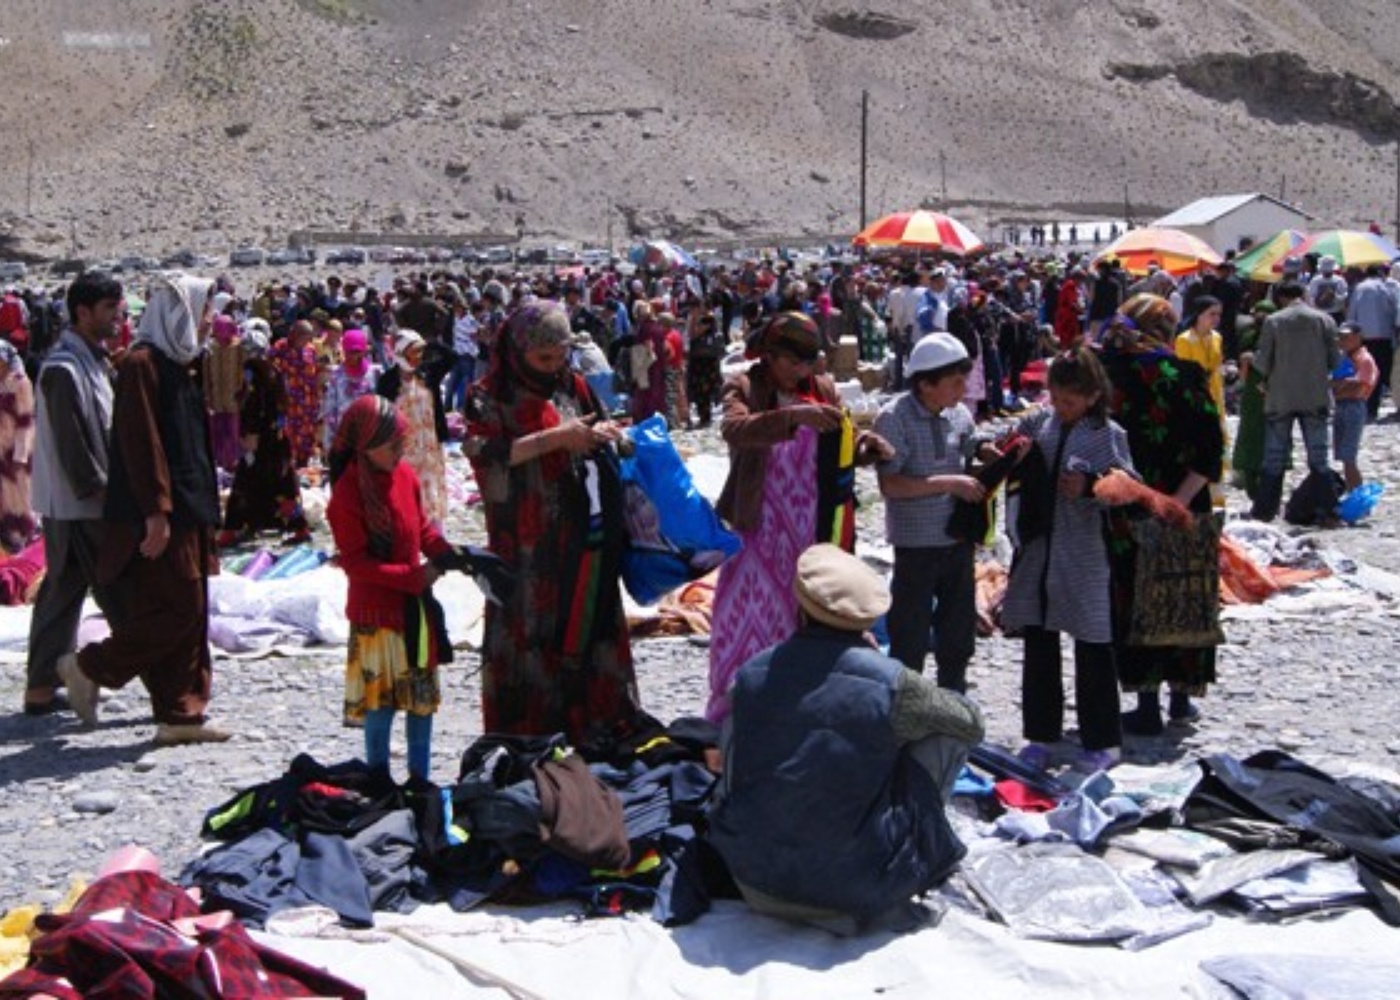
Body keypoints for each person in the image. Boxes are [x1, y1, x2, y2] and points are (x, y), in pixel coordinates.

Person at [708, 543, 985, 935]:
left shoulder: (753, 672)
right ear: (866, 622)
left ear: (801, 609)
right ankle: (917, 847)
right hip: (855, 891)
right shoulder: (893, 682)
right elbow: (971, 724)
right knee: (945, 732)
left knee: (742, 722)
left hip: (755, 881)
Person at [57, 273, 230, 745]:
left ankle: (180, 713)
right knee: (177, 608)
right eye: (204, 311)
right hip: (159, 513)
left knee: (192, 614)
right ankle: (89, 666)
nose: (210, 320)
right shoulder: (141, 365)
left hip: (190, 509)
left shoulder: (183, 364)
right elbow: (141, 445)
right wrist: (156, 511)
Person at [464, 301, 641, 743]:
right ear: (518, 350)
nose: (553, 367)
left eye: (560, 356)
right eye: (543, 359)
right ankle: (528, 742)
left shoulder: (573, 386)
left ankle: (594, 734)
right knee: (530, 641)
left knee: (586, 627)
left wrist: (611, 437)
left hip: (583, 538)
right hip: (524, 547)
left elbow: (597, 427)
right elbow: (487, 455)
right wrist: (557, 439)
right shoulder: (490, 397)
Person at [707, 312, 891, 722]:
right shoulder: (745, 385)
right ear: (770, 356)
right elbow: (734, 430)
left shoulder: (822, 389)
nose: (801, 372)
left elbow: (841, 440)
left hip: (812, 528)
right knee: (746, 619)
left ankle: (801, 710)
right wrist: (793, 418)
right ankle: (737, 709)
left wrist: (865, 448)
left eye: (808, 364)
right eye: (793, 363)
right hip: (757, 526)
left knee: (806, 617)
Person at [1002, 348, 1135, 772]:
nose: (1061, 408)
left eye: (1070, 402)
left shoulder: (1107, 434)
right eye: (1056, 399)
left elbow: (1129, 487)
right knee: (1039, 642)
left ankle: (1102, 740)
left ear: (1093, 396)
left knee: (1092, 645)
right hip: (1038, 549)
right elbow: (1005, 444)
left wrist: (1092, 485)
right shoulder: (1039, 423)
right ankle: (1041, 734)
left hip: (1083, 552)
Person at [1100, 294, 1223, 734]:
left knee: (1133, 594)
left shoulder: (1111, 375)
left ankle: (1146, 702)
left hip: (1127, 503)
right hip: (1183, 504)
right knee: (1181, 593)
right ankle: (1181, 700)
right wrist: (1178, 502)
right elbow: (1211, 451)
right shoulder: (1186, 374)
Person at [326, 395, 454, 781]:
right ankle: (378, 779)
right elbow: (355, 562)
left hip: (413, 610)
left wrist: (446, 552)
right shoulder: (347, 495)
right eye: (393, 444)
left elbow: (421, 528)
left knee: (420, 703)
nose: (401, 450)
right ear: (366, 446)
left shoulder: (406, 477)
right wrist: (409, 577)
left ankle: (420, 780)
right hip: (377, 616)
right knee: (380, 705)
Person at [875, 332, 1000, 693]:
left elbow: (969, 441)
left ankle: (952, 697)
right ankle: (907, 704)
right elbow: (891, 485)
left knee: (957, 627)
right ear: (927, 384)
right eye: (955, 382)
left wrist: (988, 450)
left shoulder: (958, 414)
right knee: (910, 631)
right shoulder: (893, 418)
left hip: (956, 538)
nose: (963, 390)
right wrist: (949, 483)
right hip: (916, 544)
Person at [23, 271, 123, 716]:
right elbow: (73, 445)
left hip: (81, 503)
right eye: (108, 310)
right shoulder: (64, 368)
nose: (118, 318)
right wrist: (101, 493)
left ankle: (42, 687)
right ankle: (155, 675)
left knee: (64, 592)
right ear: (82, 312)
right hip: (78, 505)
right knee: (119, 590)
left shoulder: (92, 360)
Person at [1249, 282, 1341, 522]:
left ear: (1280, 299)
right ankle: (1326, 509)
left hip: (1280, 397)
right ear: (1305, 295)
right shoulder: (1324, 320)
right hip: (1315, 395)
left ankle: (1265, 510)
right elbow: (1335, 360)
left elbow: (1262, 362)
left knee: (1274, 456)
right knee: (1319, 457)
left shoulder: (1274, 321)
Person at [219, 319, 308, 545]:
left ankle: (234, 528)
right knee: (283, 481)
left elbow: (252, 405)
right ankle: (297, 528)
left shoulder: (251, 372)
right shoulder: (274, 369)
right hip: (277, 437)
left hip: (259, 437)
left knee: (244, 481)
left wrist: (249, 433)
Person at [375, 329, 448, 527]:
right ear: (399, 353)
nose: (418, 357)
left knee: (430, 494)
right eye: (413, 352)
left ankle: (435, 540)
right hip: (404, 449)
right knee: (407, 492)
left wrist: (428, 341)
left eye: (420, 352)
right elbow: (382, 415)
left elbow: (452, 357)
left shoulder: (427, 374)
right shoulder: (388, 381)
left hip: (429, 447)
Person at [1230, 302, 1276, 501]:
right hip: (1265, 391)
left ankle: (1253, 480)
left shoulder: (1251, 336)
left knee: (1254, 433)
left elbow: (1243, 370)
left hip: (1257, 391)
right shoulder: (1274, 338)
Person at [1345, 264, 1397, 422]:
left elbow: (1352, 312)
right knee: (1387, 372)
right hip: (1385, 336)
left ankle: (1370, 408)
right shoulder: (1387, 287)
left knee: (1367, 371)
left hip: (1365, 337)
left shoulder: (1360, 288)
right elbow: (1395, 309)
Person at [268, 319, 322, 467]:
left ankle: (303, 464)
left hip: (307, 401)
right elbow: (270, 368)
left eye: (308, 337)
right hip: (289, 400)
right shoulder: (280, 347)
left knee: (306, 433)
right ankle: (288, 465)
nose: (306, 341)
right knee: (289, 433)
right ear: (295, 335)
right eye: (303, 337)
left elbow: (315, 372)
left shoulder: (310, 350)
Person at [1331, 321, 1378, 492]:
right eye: (1341, 337)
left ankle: (1357, 495)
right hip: (1341, 406)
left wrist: (1339, 386)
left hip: (1353, 406)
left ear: (1358, 338)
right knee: (1344, 456)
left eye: (1347, 337)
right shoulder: (1344, 358)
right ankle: (1352, 492)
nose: (1342, 341)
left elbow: (1359, 385)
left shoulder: (1364, 359)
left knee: (1349, 456)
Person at [321, 328, 382, 455]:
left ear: (364, 350)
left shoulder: (376, 373)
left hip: (370, 438)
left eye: (357, 351)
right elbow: (329, 410)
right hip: (343, 440)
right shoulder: (336, 375)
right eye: (349, 352)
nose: (353, 356)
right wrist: (329, 444)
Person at [0, 340, 36, 552]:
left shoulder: (21, 383)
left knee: (19, 494)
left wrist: (20, 456)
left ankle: (22, 536)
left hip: (16, 450)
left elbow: (26, 421)